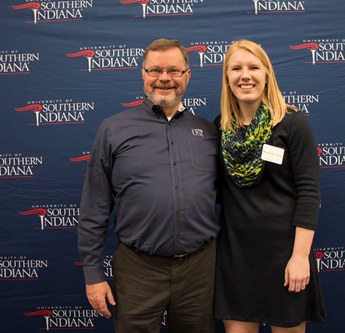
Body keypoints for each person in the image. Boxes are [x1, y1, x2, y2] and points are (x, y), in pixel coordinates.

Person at [78, 38, 219, 333]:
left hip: (199, 268)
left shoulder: (208, 132)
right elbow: (94, 207)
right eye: (155, 70)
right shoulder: (114, 129)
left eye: (174, 71)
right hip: (138, 268)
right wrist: (93, 275)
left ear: (187, 75)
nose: (164, 79)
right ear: (142, 74)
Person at [214, 40, 327, 333]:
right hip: (236, 256)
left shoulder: (291, 123)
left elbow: (309, 193)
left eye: (253, 67)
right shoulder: (221, 128)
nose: (245, 75)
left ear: (267, 74)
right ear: (227, 78)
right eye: (236, 68)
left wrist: (300, 258)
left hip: (285, 255)